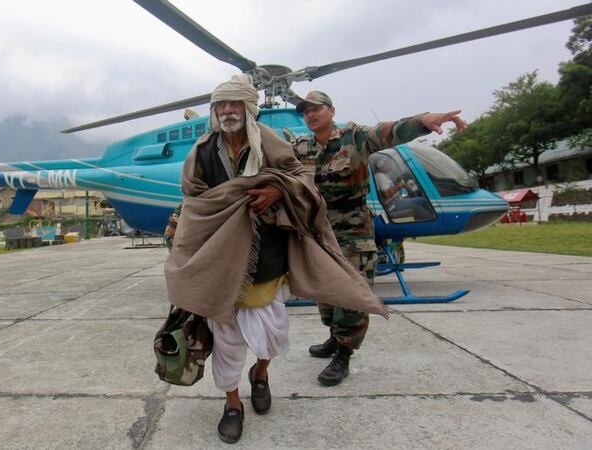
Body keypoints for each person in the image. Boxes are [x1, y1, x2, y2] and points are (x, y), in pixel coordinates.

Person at [165, 77, 386, 444]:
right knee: (228, 340)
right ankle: (232, 404)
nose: (227, 111)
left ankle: (261, 373)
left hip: (266, 256)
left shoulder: (270, 141)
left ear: (248, 108)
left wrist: (276, 189)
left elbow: (300, 176)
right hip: (222, 259)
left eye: (235, 104)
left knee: (272, 337)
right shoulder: (202, 151)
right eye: (221, 105)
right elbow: (194, 199)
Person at [293, 91, 465, 386]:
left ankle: (344, 354)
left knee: (352, 291)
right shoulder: (301, 146)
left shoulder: (356, 137)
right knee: (323, 291)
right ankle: (334, 336)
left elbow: (390, 132)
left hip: (352, 228)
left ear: (332, 111)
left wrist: (423, 121)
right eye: (306, 111)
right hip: (318, 229)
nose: (310, 114)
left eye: (316, 109)